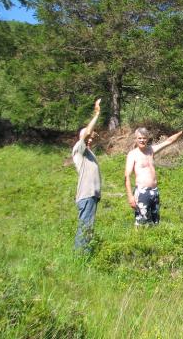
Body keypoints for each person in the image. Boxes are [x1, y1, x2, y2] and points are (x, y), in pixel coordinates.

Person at [125, 127, 183, 227]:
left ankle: (152, 240)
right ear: (136, 139)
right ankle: (137, 241)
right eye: (140, 138)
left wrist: (182, 132)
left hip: (154, 191)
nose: (142, 140)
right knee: (141, 222)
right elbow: (127, 176)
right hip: (142, 192)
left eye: (144, 138)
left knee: (155, 221)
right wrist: (130, 197)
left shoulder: (151, 150)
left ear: (147, 139)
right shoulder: (132, 154)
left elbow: (169, 141)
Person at [71, 99, 101, 252]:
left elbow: (90, 133)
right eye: (87, 138)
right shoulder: (79, 149)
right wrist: (97, 114)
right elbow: (87, 132)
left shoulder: (89, 153)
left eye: (91, 138)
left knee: (88, 226)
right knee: (85, 226)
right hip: (86, 194)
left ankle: (83, 253)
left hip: (91, 195)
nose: (90, 139)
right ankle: (81, 256)